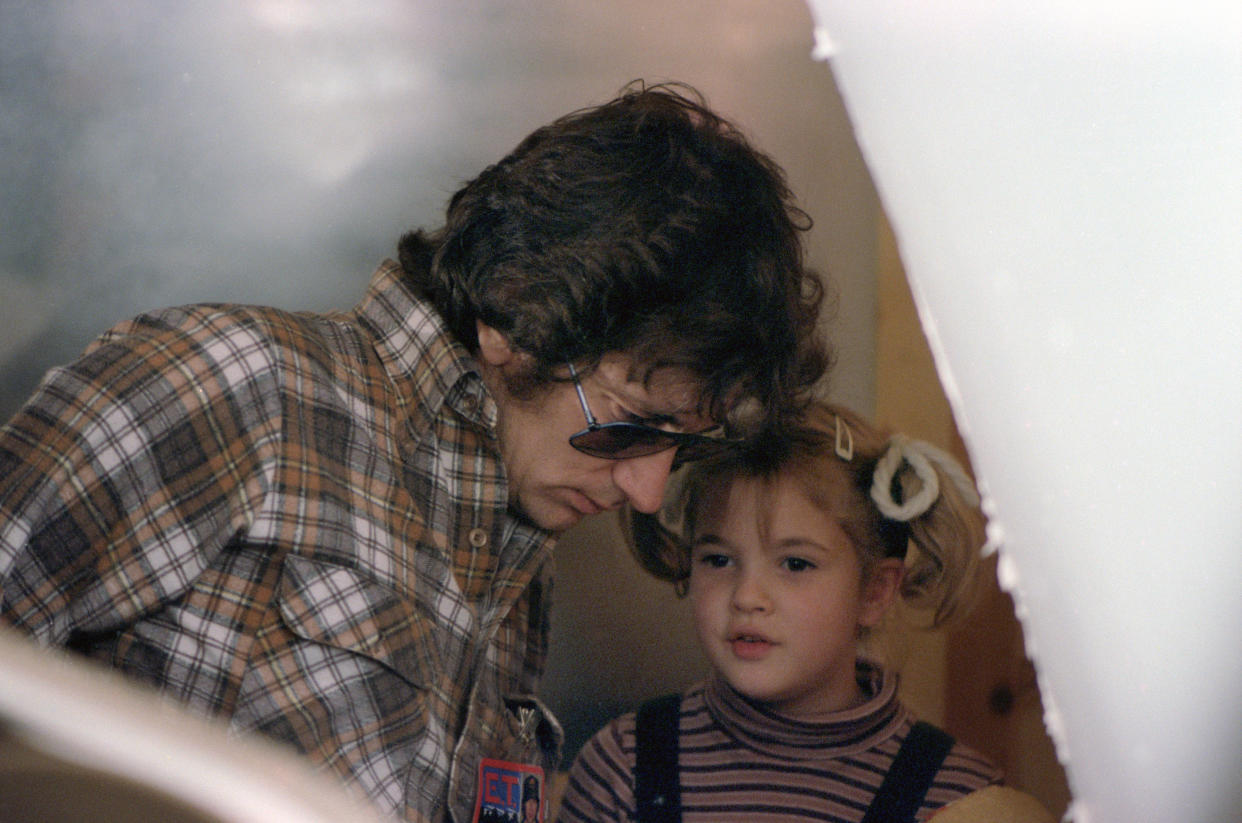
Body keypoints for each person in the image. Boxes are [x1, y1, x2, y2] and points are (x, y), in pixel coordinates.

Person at [0, 82, 829, 823]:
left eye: (679, 449)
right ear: (514, 320)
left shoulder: (515, 549)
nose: (647, 492)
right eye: (627, 423)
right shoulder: (233, 384)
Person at [557, 401, 1008, 823]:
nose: (747, 596)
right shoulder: (624, 765)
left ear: (874, 592)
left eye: (796, 564)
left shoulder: (959, 798)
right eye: (718, 560)